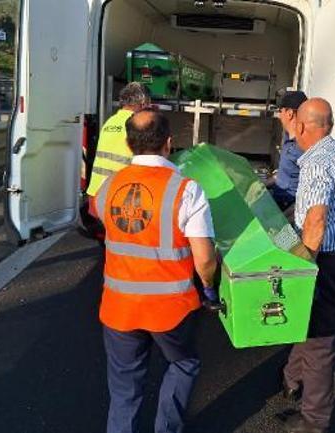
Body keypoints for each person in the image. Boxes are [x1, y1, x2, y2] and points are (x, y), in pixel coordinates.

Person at [90, 110, 218, 433]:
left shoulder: (108, 187)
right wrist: (209, 289)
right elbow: (204, 259)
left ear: (128, 143)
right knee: (184, 363)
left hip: (118, 308)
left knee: (124, 389)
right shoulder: (186, 190)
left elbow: (113, 230)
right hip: (170, 309)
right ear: (169, 143)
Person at [279, 98, 335, 433]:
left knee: (318, 340)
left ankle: (315, 422)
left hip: (331, 260)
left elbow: (315, 221)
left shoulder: (317, 163)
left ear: (301, 126)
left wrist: (302, 269)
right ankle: (291, 378)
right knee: (309, 319)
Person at [80, 82, 151, 240]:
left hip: (95, 197)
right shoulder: (136, 124)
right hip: (118, 201)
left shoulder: (110, 122)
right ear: (143, 103)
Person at [267, 90, 308, 210]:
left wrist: (283, 219)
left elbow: (306, 196)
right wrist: (262, 184)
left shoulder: (303, 147)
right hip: (277, 199)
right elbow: (284, 173)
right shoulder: (287, 136)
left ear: (289, 113)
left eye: (280, 111)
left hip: (287, 207)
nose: (279, 116)